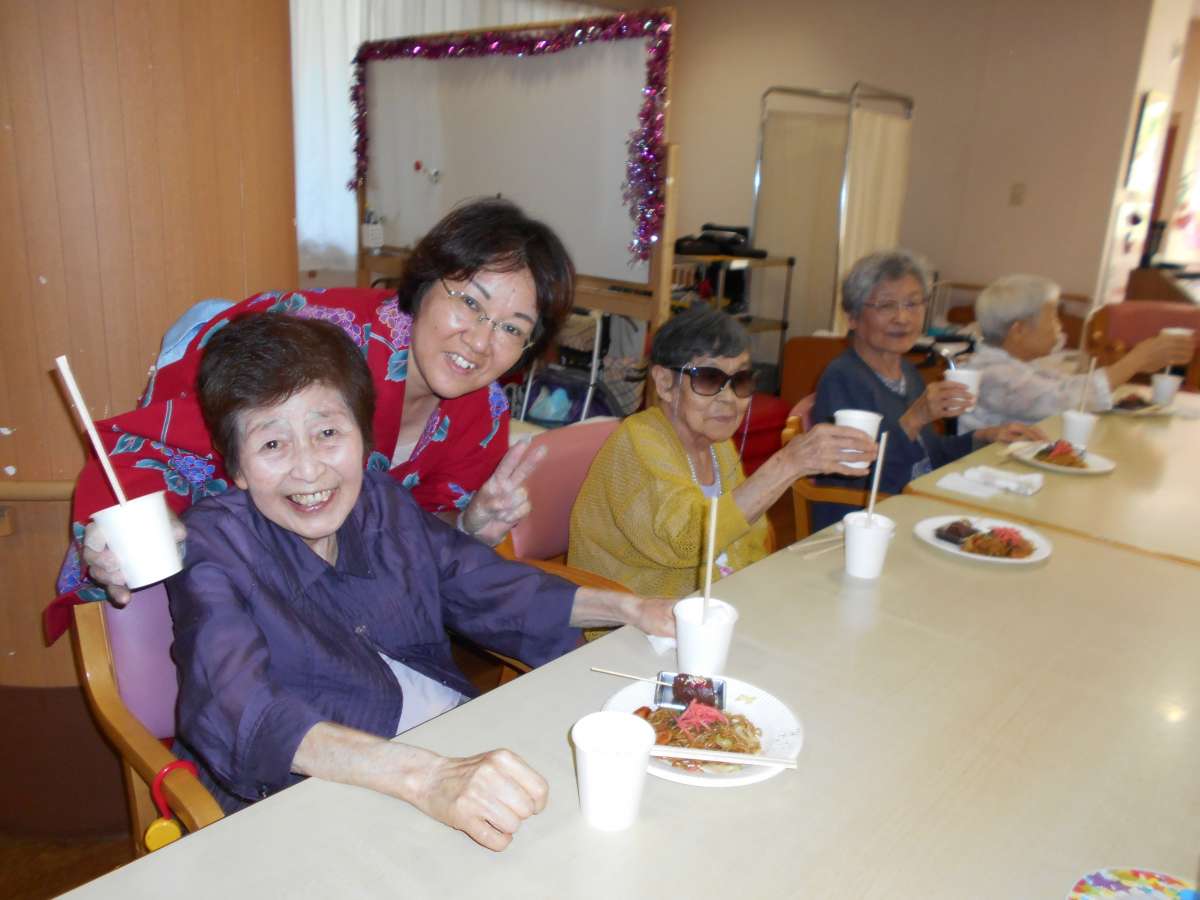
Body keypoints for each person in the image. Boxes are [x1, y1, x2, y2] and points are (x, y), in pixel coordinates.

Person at [170, 313, 674, 851]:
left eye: (327, 433)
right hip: (320, 806)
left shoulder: (380, 501)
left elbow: (483, 583)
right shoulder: (215, 544)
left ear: (363, 438)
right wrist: (426, 778)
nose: (309, 469)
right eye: (272, 445)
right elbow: (237, 705)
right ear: (237, 468)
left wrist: (631, 609)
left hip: (448, 750)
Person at [47, 198, 574, 640]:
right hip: (220, 568)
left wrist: (468, 525)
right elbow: (146, 446)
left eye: (512, 328)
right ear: (425, 282)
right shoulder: (317, 340)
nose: (480, 341)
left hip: (327, 609)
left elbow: (412, 535)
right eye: (470, 303)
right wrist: (133, 530)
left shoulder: (483, 415)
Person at [568, 306, 878, 597]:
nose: (729, 398)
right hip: (638, 620)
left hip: (716, 603)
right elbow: (686, 542)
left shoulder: (717, 446)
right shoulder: (637, 443)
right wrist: (787, 464)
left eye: (740, 380)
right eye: (708, 378)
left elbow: (749, 537)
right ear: (664, 383)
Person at [810, 251, 1043, 531]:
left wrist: (984, 436)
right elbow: (856, 478)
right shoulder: (843, 378)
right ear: (852, 317)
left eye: (912, 303)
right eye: (886, 305)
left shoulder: (907, 372)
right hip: (865, 526)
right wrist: (915, 418)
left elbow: (927, 454)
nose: (902, 318)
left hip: (915, 506)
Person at [960, 274, 1195, 430]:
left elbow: (1065, 385)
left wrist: (1132, 372)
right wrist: (1135, 360)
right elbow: (1062, 400)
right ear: (1018, 330)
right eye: (1052, 317)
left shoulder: (1018, 365)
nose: (1059, 325)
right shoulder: (993, 375)